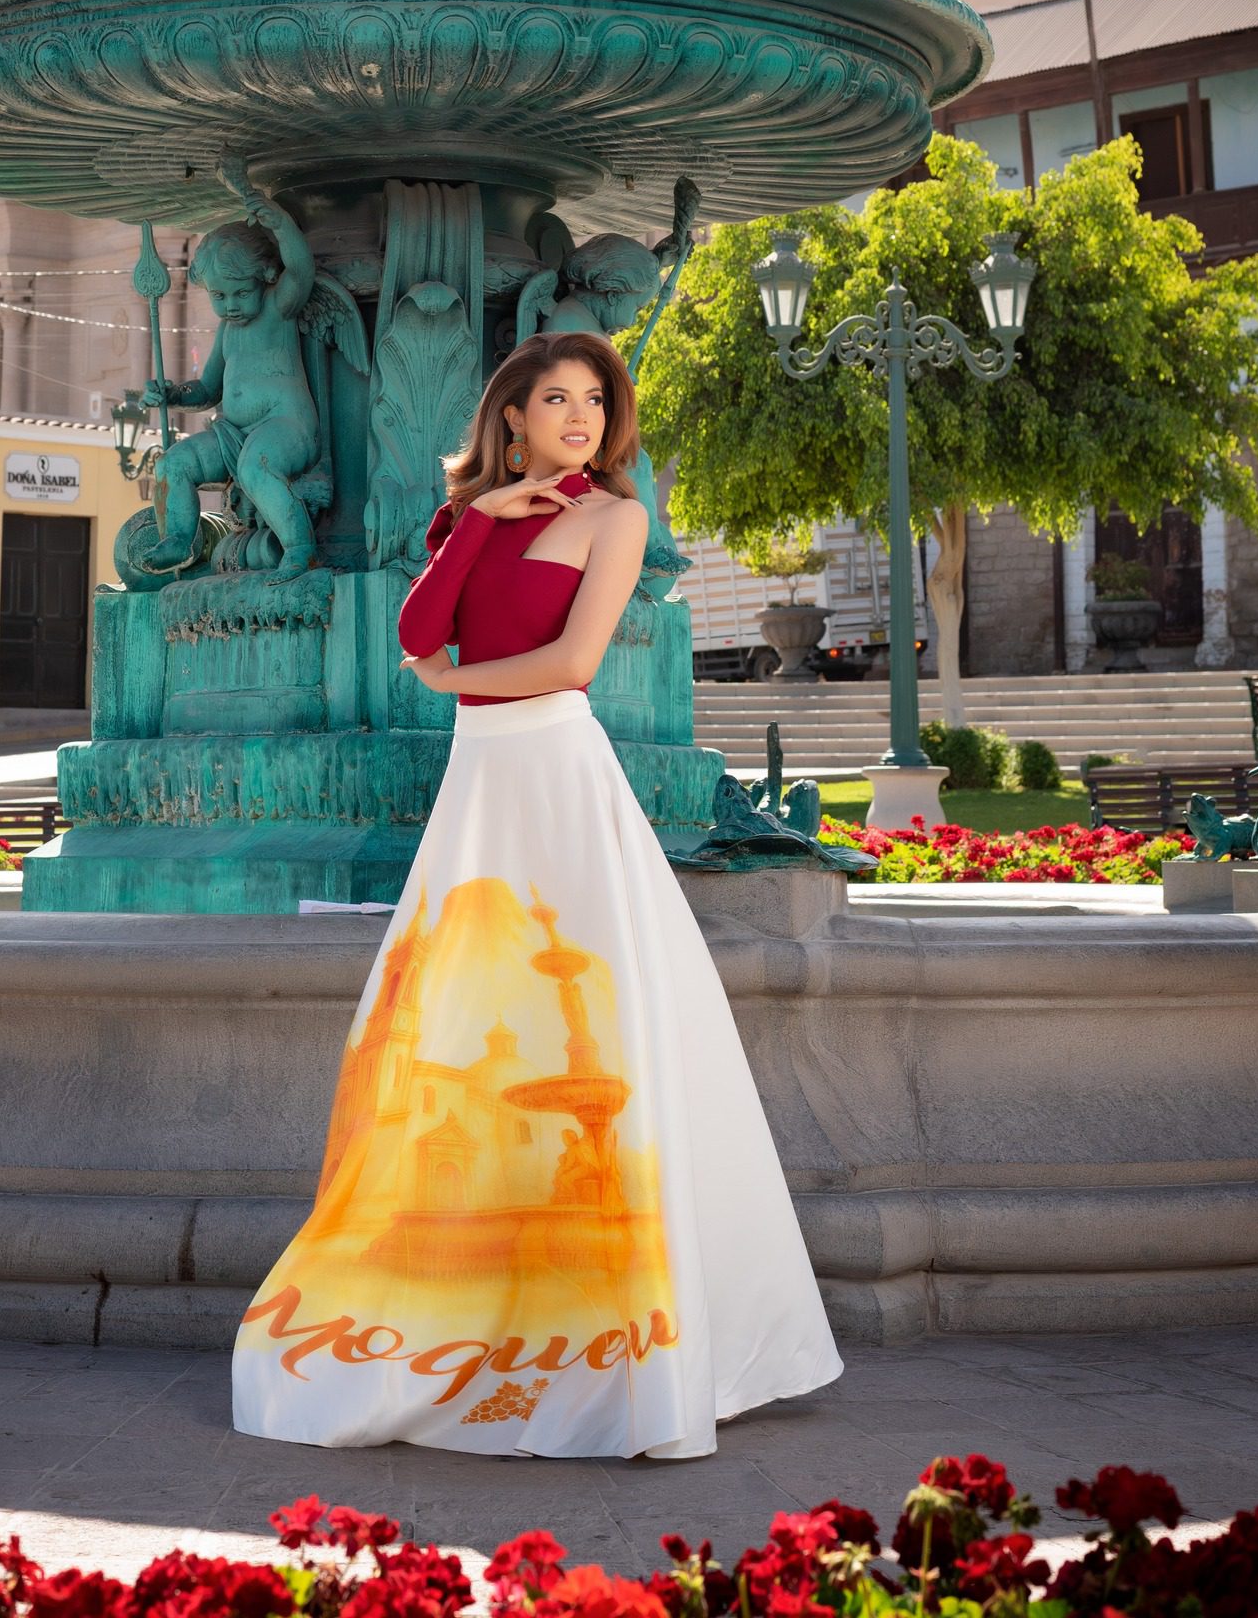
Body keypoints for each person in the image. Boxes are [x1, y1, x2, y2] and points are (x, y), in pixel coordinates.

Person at [231, 330, 841, 1458]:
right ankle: (454, 1303)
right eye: (556, 398)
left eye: (595, 400)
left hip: (557, 767)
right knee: (447, 1025)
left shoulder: (617, 519)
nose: (579, 417)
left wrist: (454, 681)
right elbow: (415, 630)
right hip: (478, 781)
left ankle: (630, 1341)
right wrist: (478, 521)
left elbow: (569, 665)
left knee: (599, 1026)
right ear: (512, 416)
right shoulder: (473, 516)